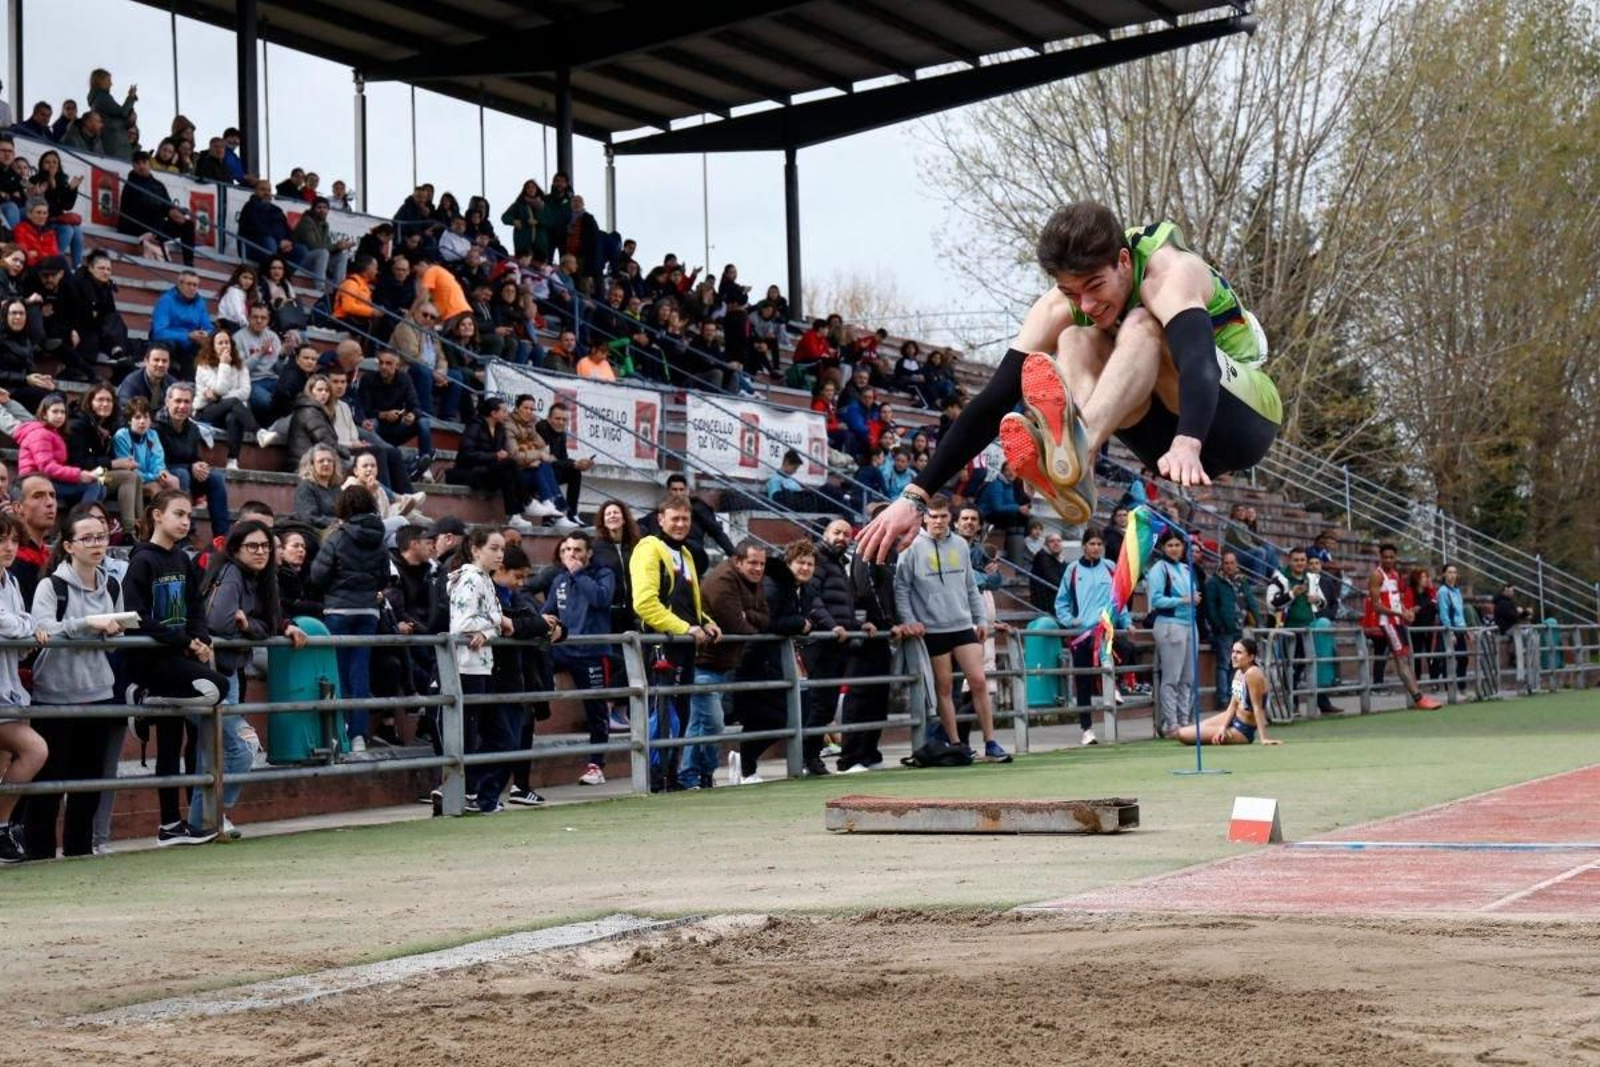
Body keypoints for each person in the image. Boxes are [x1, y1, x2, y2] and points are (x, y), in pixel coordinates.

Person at [858, 202, 1281, 559]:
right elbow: (992, 401)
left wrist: (1189, 440)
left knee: (1140, 322)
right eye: (1072, 292)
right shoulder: (1063, 304)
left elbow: (1196, 360)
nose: (1088, 302)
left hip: (1232, 421)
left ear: (1122, 261)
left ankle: (1081, 439)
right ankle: (1077, 460)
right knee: (1074, 336)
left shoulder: (1169, 272)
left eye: (1095, 286)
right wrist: (914, 496)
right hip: (1158, 437)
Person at [122, 489, 230, 846]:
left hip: (181, 657)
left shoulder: (183, 560)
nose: (185, 522)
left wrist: (200, 640)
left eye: (189, 516)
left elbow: (195, 608)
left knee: (174, 741)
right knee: (219, 688)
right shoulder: (142, 561)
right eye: (179, 514)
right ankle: (145, 696)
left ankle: (170, 824)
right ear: (157, 515)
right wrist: (184, 641)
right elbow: (137, 617)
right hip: (154, 660)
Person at [191, 521, 308, 838]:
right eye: (253, 546)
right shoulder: (230, 574)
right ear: (235, 548)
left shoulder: (258, 579)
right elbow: (221, 621)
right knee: (243, 745)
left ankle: (204, 822)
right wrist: (247, 626)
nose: (261, 552)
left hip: (225, 675)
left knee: (213, 753)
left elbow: (265, 623)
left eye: (266, 546)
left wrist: (254, 626)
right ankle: (212, 816)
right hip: (208, 674)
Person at [20, 504, 124, 859]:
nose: (97, 544)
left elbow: (117, 626)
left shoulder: (111, 581)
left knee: (89, 782)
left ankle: (80, 852)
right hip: (55, 695)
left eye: (102, 537)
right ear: (68, 545)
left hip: (98, 692)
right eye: (88, 538)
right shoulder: (52, 586)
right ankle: (40, 854)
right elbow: (42, 628)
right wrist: (87, 624)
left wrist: (113, 628)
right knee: (48, 785)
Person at [892, 496, 1011, 762]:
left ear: (950, 518)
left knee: (979, 682)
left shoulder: (958, 544)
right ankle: (957, 743)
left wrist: (981, 620)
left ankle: (991, 742)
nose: (938, 521)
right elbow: (901, 589)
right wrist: (910, 619)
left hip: (961, 624)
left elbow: (971, 586)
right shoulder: (910, 548)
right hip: (933, 629)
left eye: (943, 516)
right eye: (933, 516)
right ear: (924, 517)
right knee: (944, 688)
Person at [630, 494, 721, 793]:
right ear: (661, 519)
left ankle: (671, 777)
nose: (681, 524)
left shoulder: (687, 554)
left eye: (686, 519)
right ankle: (655, 781)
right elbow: (645, 604)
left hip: (684, 645)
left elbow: (688, 604)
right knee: (661, 714)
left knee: (680, 712)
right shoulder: (649, 548)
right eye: (675, 518)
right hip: (660, 645)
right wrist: (686, 628)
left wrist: (706, 621)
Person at [308, 485, 390, 751]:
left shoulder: (337, 536)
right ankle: (359, 736)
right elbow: (385, 578)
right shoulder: (380, 538)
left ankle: (339, 731)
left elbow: (318, 575)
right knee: (360, 672)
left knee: (338, 670)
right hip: (368, 611)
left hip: (338, 611)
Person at [685, 539, 767, 789]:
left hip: (720, 664)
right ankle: (699, 773)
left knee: (701, 723)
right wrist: (751, 621)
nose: (758, 568)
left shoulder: (750, 581)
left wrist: (749, 616)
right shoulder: (724, 580)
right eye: (752, 562)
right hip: (704, 661)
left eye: (762, 564)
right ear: (738, 561)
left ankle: (694, 775)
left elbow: (765, 617)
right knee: (711, 722)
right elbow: (736, 625)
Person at [446, 526, 511, 810]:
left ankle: (476, 793)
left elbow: (493, 623)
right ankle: (469, 792)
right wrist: (493, 625)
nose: (500, 555)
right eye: (494, 548)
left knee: (494, 735)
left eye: (502, 549)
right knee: (481, 736)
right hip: (467, 667)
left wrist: (489, 630)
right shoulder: (471, 579)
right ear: (476, 549)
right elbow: (462, 624)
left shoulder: (483, 579)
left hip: (481, 666)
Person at [546, 532, 616, 787]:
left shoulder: (603, 574)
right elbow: (549, 612)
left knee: (596, 712)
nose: (571, 555)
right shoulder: (560, 580)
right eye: (566, 550)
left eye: (577, 550)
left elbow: (601, 598)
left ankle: (596, 765)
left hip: (592, 654)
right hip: (563, 650)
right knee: (535, 666)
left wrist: (578, 574)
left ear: (589, 553)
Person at [1054, 531, 1130, 746]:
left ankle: (1115, 687)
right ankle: (1086, 729)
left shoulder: (1110, 567)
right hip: (1082, 635)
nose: (1096, 547)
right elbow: (1061, 602)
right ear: (1084, 546)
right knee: (1083, 683)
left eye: (1099, 543)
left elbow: (1119, 597)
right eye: (1092, 543)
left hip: (1106, 629)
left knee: (1123, 651)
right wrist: (1071, 620)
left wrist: (1126, 621)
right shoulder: (1072, 570)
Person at [0, 513, 47, 864]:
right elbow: (11, 623)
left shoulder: (11, 581)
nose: (8, 548)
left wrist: (25, 631)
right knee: (35, 750)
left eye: (13, 541)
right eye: (2, 541)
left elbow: (24, 625)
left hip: (9, 687)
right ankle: (1, 825)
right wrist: (24, 629)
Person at [1362, 543, 1443, 709]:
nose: (1388, 560)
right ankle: (1418, 698)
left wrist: (1407, 611)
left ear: (1395, 558)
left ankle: (1417, 697)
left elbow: (1397, 600)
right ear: (1380, 557)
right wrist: (1400, 614)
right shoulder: (1377, 576)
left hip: (1397, 622)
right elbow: (1376, 606)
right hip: (1387, 623)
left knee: (1405, 658)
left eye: (1391, 557)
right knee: (1401, 660)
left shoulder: (1395, 575)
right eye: (1385, 557)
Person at [445, 397, 539, 532]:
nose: (507, 415)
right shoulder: (475, 426)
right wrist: (495, 456)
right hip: (470, 472)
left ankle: (514, 515)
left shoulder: (500, 428)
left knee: (509, 468)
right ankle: (526, 503)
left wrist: (500, 456)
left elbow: (500, 455)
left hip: (487, 470)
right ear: (493, 413)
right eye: (504, 411)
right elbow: (467, 454)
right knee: (510, 465)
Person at [1146, 529, 1202, 738]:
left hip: (1189, 623)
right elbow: (1156, 600)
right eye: (1170, 545)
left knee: (1188, 677)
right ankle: (1171, 723)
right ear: (1162, 547)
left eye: (1177, 545)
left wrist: (1193, 598)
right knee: (1172, 677)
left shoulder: (1186, 568)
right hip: (1170, 624)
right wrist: (1183, 600)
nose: (1174, 549)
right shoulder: (1158, 570)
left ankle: (1184, 720)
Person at [1173, 638, 1280, 746]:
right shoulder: (1238, 673)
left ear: (1251, 657)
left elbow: (1258, 708)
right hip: (1233, 718)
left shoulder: (1253, 674)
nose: (1234, 656)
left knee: (1183, 734)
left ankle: (1237, 734)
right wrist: (1222, 727)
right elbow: (1233, 705)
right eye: (1233, 652)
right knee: (1187, 731)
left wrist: (1264, 738)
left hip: (1243, 729)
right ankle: (1221, 729)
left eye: (1239, 653)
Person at [156, 383, 232, 535]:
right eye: (178, 401)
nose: (182, 406)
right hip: (162, 473)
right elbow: (160, 461)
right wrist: (190, 467)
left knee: (216, 478)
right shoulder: (155, 426)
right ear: (167, 402)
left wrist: (198, 464)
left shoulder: (193, 428)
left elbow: (192, 457)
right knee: (181, 474)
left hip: (184, 471)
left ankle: (222, 537)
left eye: (186, 402)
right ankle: (186, 533)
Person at [15, 393, 105, 510]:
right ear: (44, 414)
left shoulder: (53, 432)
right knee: (93, 485)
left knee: (102, 487)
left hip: (49, 480)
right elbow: (46, 467)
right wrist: (79, 475)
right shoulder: (40, 434)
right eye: (55, 411)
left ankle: (81, 515)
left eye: (62, 412)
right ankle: (82, 520)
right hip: (34, 482)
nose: (60, 416)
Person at [194, 327, 266, 471]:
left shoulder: (240, 365)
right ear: (213, 346)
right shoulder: (204, 366)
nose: (224, 346)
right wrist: (224, 364)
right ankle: (259, 432)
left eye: (227, 342)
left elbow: (245, 392)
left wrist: (219, 397)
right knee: (234, 402)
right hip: (206, 412)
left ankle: (232, 460)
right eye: (220, 343)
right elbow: (220, 388)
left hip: (226, 411)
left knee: (233, 416)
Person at [1204, 550, 1259, 709]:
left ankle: (1235, 697)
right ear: (1222, 564)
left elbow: (1251, 601)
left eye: (1232, 563)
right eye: (1226, 563)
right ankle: (1223, 699)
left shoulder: (1241, 581)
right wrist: (1218, 625)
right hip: (1224, 630)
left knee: (1237, 666)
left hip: (1239, 628)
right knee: (1224, 664)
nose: (1229, 566)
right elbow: (1211, 606)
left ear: (1236, 565)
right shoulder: (1214, 583)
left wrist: (1257, 620)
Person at [535, 401, 592, 524]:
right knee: (549, 469)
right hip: (537, 471)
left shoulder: (561, 434)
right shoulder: (542, 428)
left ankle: (572, 514)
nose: (561, 422)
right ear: (549, 418)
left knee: (575, 472)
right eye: (557, 418)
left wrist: (578, 463)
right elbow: (548, 459)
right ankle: (551, 516)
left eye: (564, 420)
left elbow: (562, 459)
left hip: (550, 470)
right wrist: (572, 463)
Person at [149, 270, 213, 372]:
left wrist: (205, 334)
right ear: (179, 284)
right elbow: (159, 332)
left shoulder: (200, 302)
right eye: (189, 284)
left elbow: (208, 327)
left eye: (195, 285)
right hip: (171, 343)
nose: (192, 288)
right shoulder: (165, 300)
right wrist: (187, 335)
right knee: (168, 344)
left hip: (191, 344)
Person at [1436, 562, 1470, 695]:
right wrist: (1449, 632)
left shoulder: (1456, 590)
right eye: (1449, 572)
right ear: (1444, 574)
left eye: (1454, 572)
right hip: (1451, 629)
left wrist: (1465, 629)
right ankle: (1448, 688)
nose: (1452, 575)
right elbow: (1444, 613)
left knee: (1463, 658)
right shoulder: (1443, 591)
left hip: (1460, 629)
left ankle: (1461, 687)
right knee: (1448, 659)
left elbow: (1460, 612)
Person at [293, 443, 343, 529]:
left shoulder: (336, 488)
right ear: (312, 465)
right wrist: (336, 522)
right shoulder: (306, 487)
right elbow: (309, 518)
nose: (326, 464)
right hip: (317, 532)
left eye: (330, 461)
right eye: (321, 461)